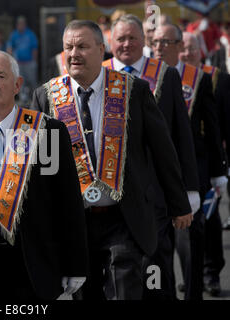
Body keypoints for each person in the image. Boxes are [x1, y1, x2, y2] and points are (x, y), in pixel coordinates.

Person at [30, 20, 192, 300]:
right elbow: (37, 167)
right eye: (68, 47)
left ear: (101, 50)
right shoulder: (46, 96)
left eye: (82, 46)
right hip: (74, 221)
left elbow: (163, 151)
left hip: (124, 217)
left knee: (124, 289)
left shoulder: (134, 90)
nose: (73, 54)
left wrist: (180, 203)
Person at [0, 50, 88, 300]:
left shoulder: (47, 130)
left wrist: (75, 263)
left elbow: (68, 202)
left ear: (17, 85)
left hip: (32, 261)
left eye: (0, 76)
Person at [103, 14, 200, 300]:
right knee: (117, 273)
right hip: (111, 194)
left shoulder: (165, 74)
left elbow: (182, 135)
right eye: (120, 39)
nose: (126, 44)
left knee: (156, 268)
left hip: (155, 191)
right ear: (110, 42)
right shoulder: (101, 75)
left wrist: (190, 188)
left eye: (133, 38)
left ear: (144, 41)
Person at [152, 23, 227, 300]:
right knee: (160, 242)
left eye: (165, 43)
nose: (159, 48)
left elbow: (213, 127)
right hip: (158, 172)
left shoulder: (198, 78)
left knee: (193, 237)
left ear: (178, 46)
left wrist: (219, 171)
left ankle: (197, 289)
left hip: (193, 169)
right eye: (155, 42)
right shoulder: (142, 78)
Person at [179, 31, 229, 297]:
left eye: (191, 49)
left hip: (209, 161)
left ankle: (212, 274)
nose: (186, 54)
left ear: (201, 51)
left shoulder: (217, 79)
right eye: (182, 49)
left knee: (209, 222)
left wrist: (221, 167)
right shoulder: (170, 77)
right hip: (183, 163)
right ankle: (192, 274)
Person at [7, 16, 38, 103]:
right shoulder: (14, 34)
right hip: (18, 63)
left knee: (32, 82)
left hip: (29, 62)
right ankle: (23, 101)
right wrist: (10, 61)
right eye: (19, 23)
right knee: (21, 82)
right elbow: (10, 47)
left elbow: (34, 48)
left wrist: (34, 62)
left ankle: (35, 99)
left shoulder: (30, 34)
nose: (20, 25)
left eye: (22, 23)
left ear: (25, 24)